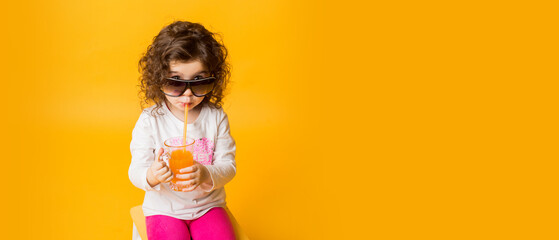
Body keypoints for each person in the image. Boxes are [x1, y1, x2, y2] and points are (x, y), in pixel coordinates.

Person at [128, 20, 236, 240]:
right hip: (164, 209)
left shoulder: (215, 118)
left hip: (209, 207)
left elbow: (229, 166)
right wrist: (151, 174)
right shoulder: (150, 120)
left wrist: (207, 173)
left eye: (198, 81)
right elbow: (135, 169)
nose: (187, 94)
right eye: (175, 82)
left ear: (212, 78)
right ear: (158, 79)